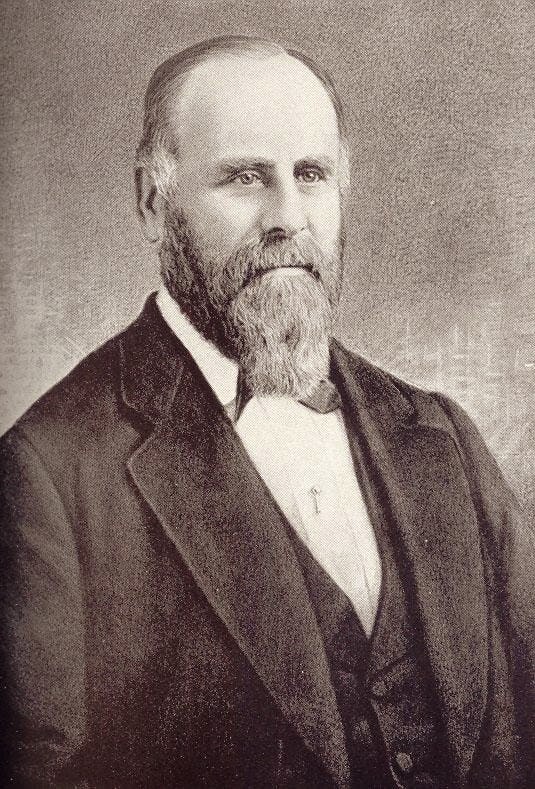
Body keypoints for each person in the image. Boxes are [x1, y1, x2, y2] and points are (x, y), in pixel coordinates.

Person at [1, 35, 533, 789]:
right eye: (245, 177)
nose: (288, 217)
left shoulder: (442, 435)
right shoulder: (49, 472)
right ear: (154, 204)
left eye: (310, 174)